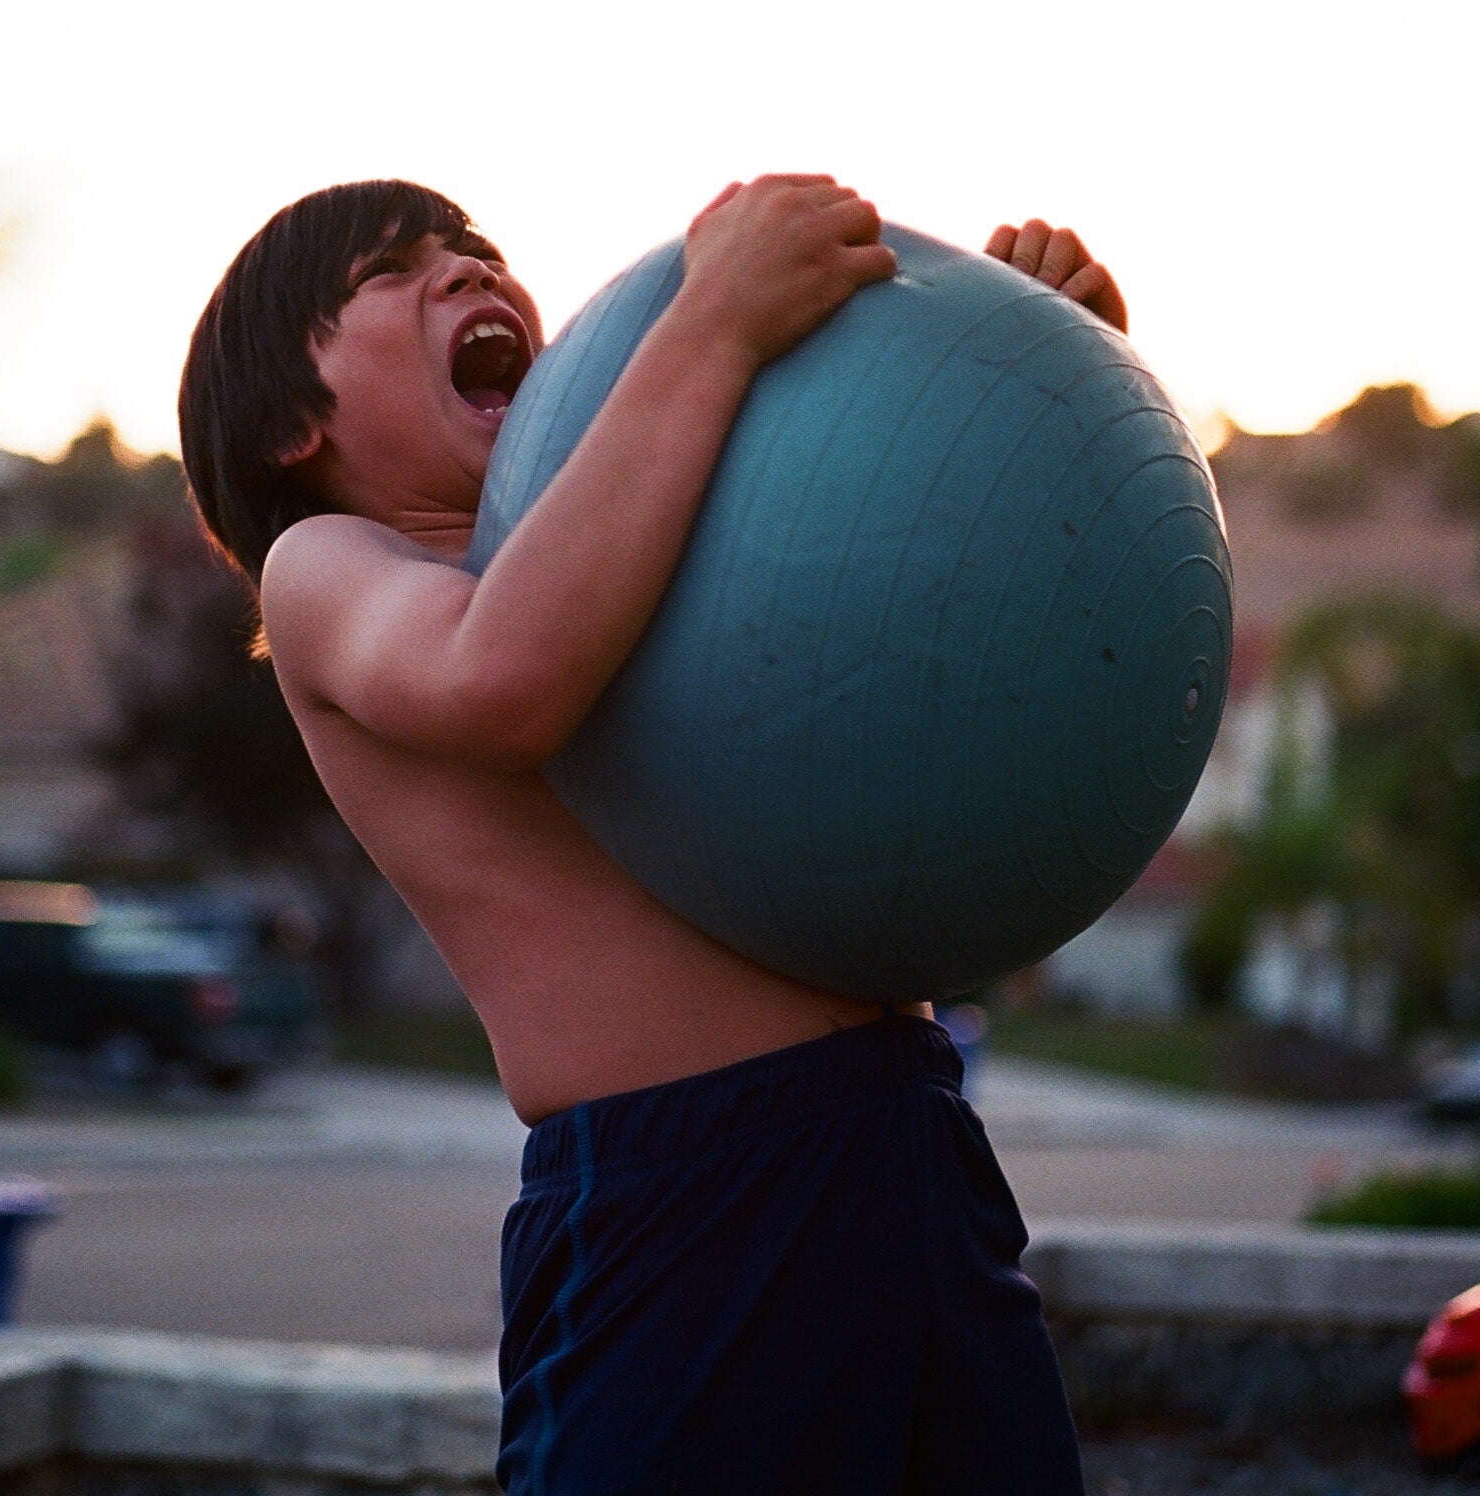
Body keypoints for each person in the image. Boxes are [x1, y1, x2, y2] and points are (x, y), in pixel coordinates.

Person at [177, 176, 1125, 1495]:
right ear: (290, 421)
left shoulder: (652, 532)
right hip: (687, 1197)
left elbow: (926, 618)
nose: (460, 272)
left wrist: (1026, 378)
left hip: (906, 1149)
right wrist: (713, 325)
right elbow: (500, 675)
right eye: (390, 274)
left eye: (475, 251)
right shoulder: (333, 566)